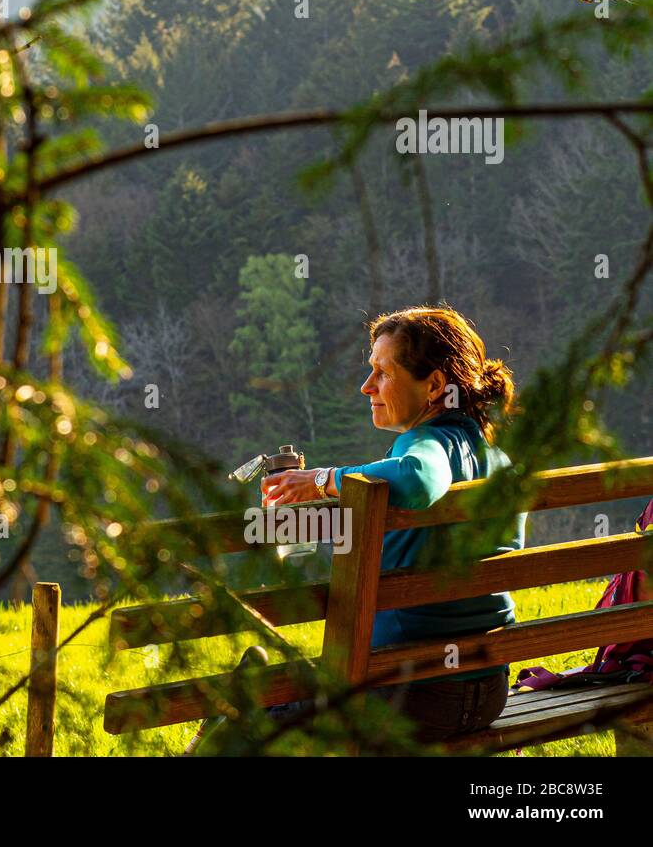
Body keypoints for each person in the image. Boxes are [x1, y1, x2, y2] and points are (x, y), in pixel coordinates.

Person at [190, 305, 524, 754]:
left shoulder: (427, 445)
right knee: (276, 696)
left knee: (248, 723)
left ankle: (229, 717)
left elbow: (416, 481)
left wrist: (322, 478)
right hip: (486, 694)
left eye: (383, 373)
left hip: (412, 699)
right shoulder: (495, 460)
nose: (367, 386)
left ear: (434, 386)